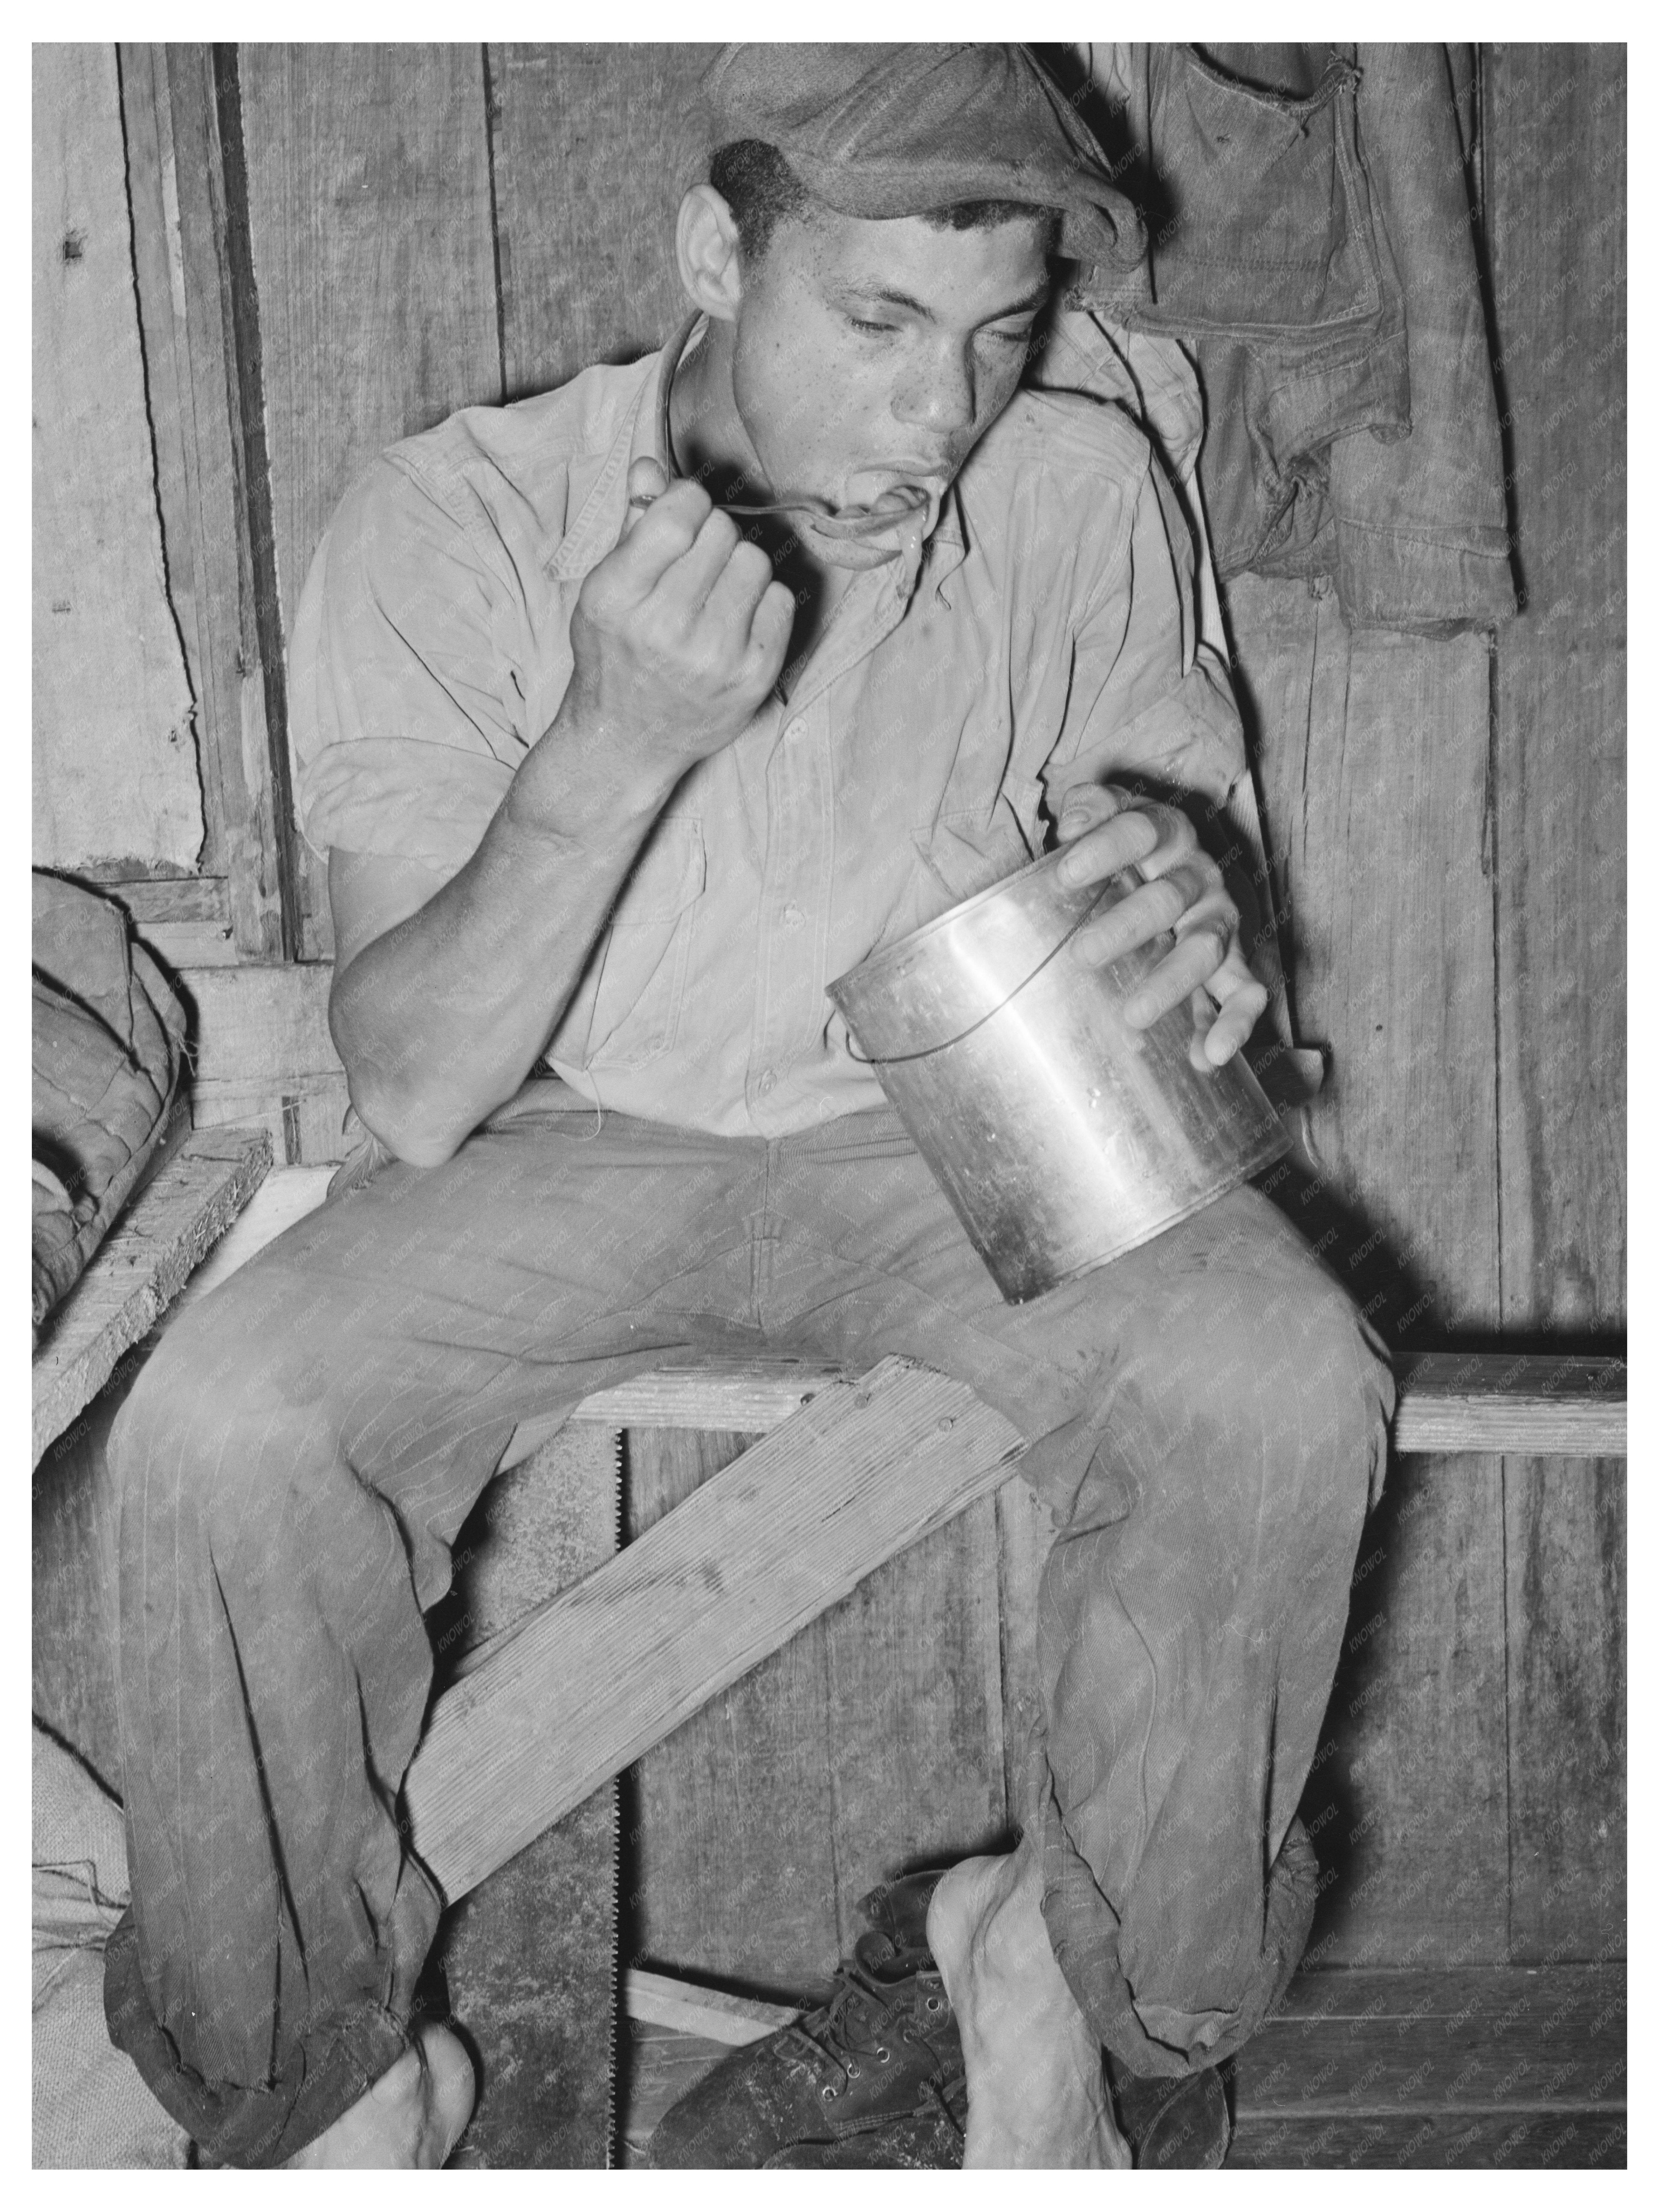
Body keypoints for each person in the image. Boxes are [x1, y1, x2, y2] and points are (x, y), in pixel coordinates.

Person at [102, 44, 1392, 2169]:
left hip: (968, 1129)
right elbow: (414, 1085)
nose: (936, 414)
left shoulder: (1074, 488)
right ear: (717, 255)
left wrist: (1204, 930)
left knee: (1279, 1378)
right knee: (229, 1425)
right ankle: (315, 2086)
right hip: (556, 1140)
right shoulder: (455, 518)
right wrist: (607, 750)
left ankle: (1068, 1977)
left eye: (994, 338)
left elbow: (1185, 937)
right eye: (874, 324)